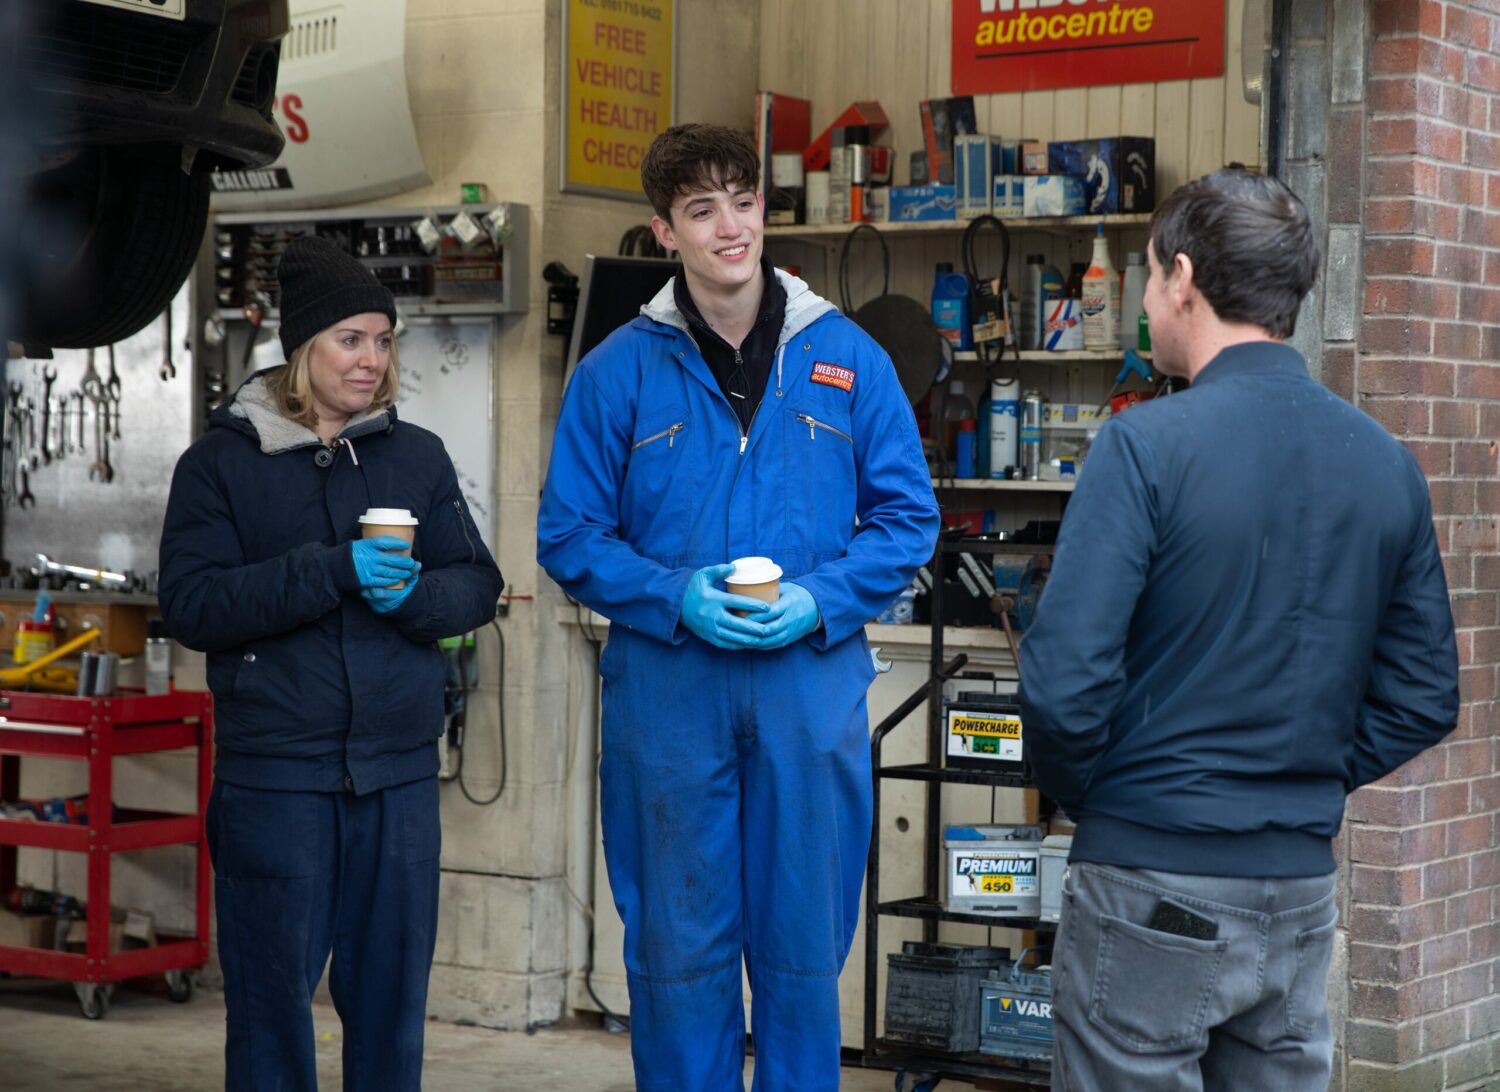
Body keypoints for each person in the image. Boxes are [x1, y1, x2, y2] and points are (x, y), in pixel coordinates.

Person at [1019, 169, 1459, 1091]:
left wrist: (1111, 796)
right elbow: (1424, 696)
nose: (1147, 301)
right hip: (1295, 890)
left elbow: (1063, 684)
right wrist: (1302, 779)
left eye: (1149, 276)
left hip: (1148, 874)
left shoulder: (1144, 447)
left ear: (1183, 278)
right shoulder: (1388, 466)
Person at [537, 123, 938, 1090]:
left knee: (802, 962)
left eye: (744, 202)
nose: (731, 227)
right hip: (669, 701)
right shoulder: (616, 372)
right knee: (678, 960)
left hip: (808, 697)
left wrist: (818, 599)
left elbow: (907, 519)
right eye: (702, 209)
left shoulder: (848, 358)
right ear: (664, 231)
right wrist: (673, 594)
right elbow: (568, 534)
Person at [159, 236, 502, 1091]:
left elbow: (477, 583)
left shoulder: (417, 456)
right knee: (271, 1016)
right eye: (350, 339)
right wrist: (332, 570)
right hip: (277, 783)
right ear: (303, 347)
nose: (370, 359)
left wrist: (414, 598)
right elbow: (193, 606)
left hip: (397, 780)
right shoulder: (220, 464)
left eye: (383, 340)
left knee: (390, 1013)